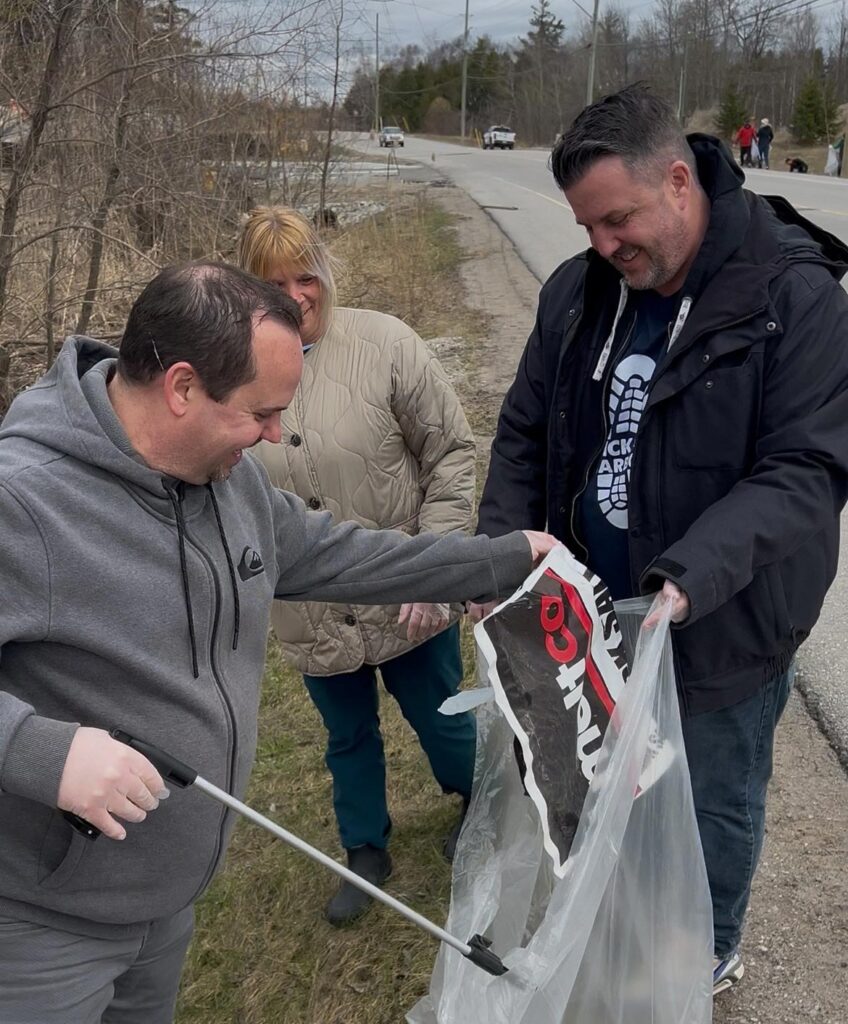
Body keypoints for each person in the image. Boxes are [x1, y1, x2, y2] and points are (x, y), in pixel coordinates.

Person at [0, 260, 557, 1023]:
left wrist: (499, 558)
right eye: (261, 412)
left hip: (165, 906)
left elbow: (347, 554)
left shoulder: (231, 484)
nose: (276, 433)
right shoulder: (22, 500)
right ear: (185, 388)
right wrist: (42, 751)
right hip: (40, 924)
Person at [473, 86, 848, 996]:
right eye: (589, 226)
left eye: (619, 220)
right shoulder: (579, 292)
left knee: (709, 799)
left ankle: (703, 948)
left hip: (719, 620)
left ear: (679, 181)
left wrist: (683, 580)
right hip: (591, 618)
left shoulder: (792, 297)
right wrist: (499, 552)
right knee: (606, 781)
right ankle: (623, 910)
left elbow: (806, 468)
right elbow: (524, 430)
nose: (605, 245)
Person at [236, 206, 477, 925]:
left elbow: (454, 455)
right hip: (309, 613)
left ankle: (482, 802)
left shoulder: (386, 344)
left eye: (306, 276)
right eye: (273, 282)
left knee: (441, 716)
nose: (295, 295)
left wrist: (435, 569)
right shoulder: (230, 373)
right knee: (347, 737)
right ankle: (365, 848)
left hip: (408, 592)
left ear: (326, 274)